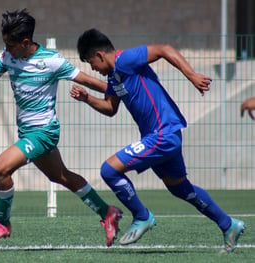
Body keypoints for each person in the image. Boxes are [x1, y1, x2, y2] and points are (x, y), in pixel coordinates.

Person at [0, 10, 122, 246]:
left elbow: (90, 81)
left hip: (44, 132)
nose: (7, 48)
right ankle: (108, 213)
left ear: (25, 42)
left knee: (1, 168)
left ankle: (2, 224)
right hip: (28, 133)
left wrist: (120, 87)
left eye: (10, 44)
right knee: (62, 176)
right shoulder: (7, 57)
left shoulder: (51, 61)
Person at [70, 28, 245, 253]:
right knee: (181, 188)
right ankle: (229, 225)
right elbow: (110, 108)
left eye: (91, 62)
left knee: (109, 170)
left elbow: (164, 49)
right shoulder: (114, 77)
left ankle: (142, 216)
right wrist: (87, 99)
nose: (92, 68)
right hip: (161, 136)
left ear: (100, 55)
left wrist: (191, 75)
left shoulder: (126, 60)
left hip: (163, 134)